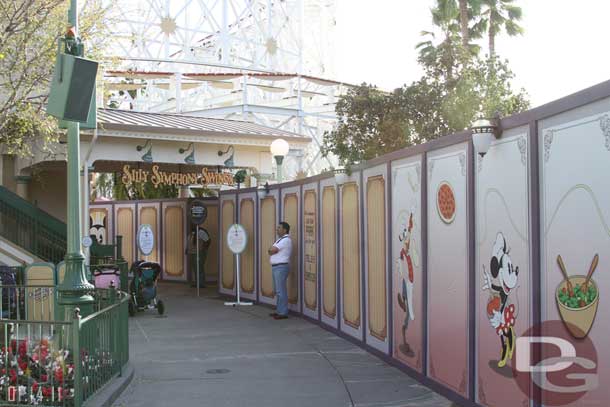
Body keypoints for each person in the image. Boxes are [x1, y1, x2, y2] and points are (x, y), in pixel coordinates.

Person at [268, 222, 292, 320]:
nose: (277, 229)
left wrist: (271, 250)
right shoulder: (280, 240)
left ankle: (283, 312)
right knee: (278, 290)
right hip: (277, 267)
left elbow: (272, 250)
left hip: (281, 267)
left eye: (279, 228)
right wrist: (271, 250)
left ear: (285, 230)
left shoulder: (285, 240)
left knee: (280, 290)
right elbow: (271, 250)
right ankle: (279, 310)